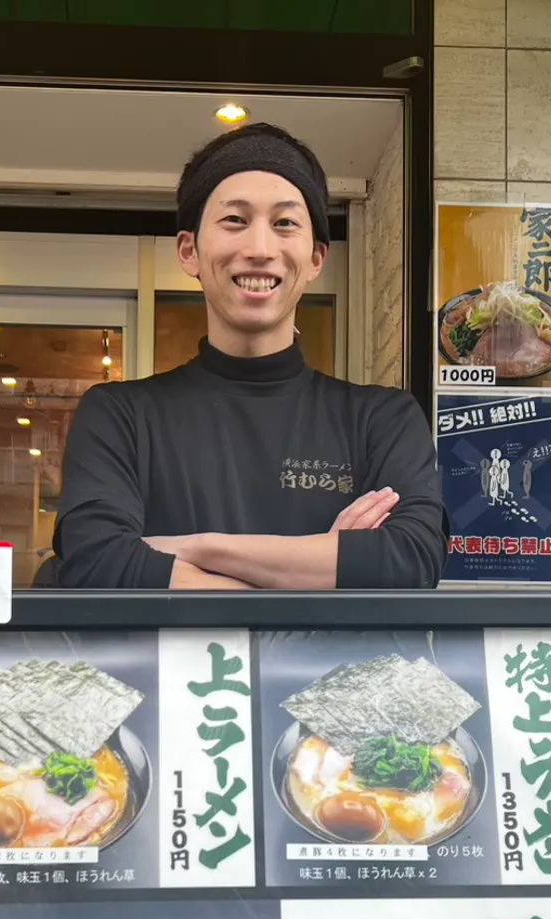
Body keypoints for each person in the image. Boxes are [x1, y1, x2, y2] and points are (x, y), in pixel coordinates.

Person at [50, 122, 447, 590]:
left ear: (317, 258)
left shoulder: (381, 419)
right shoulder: (121, 415)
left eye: (285, 223)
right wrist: (317, 571)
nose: (260, 249)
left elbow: (411, 558)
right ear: (189, 250)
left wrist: (195, 549)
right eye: (234, 220)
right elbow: (96, 562)